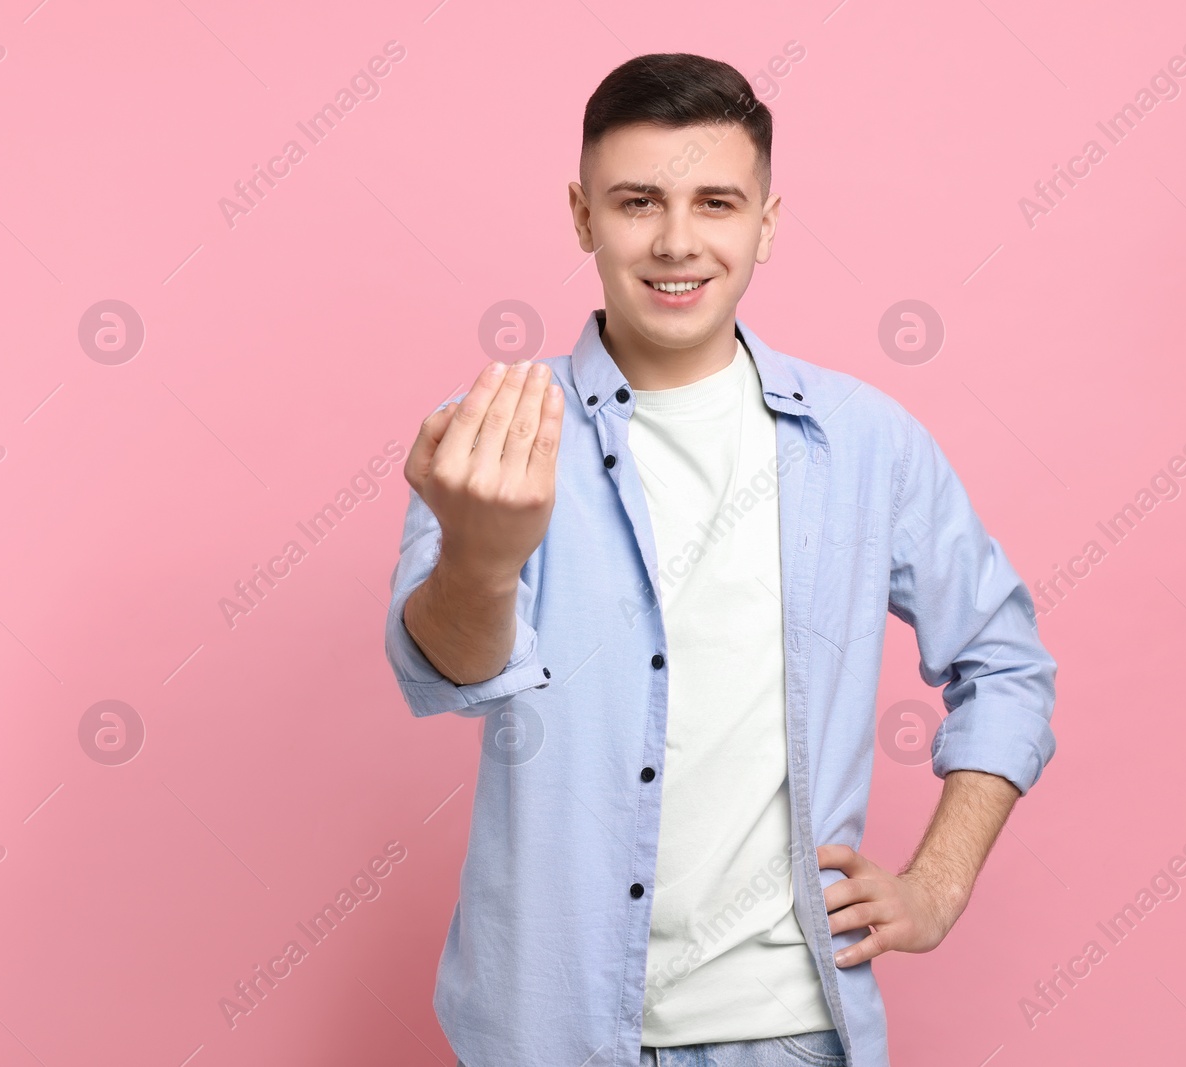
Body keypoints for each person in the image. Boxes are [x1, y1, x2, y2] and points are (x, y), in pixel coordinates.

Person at [384, 52, 1057, 1067]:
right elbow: (442, 675)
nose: (676, 240)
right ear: (582, 216)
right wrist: (481, 560)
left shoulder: (866, 441)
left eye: (716, 202)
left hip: (787, 1029)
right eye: (637, 201)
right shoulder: (493, 434)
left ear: (767, 224)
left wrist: (937, 882)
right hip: (547, 1029)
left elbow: (1005, 660)